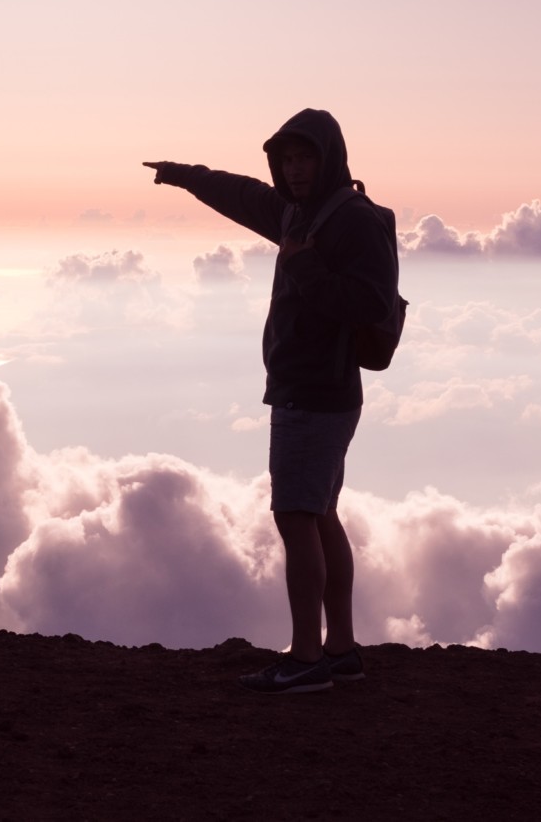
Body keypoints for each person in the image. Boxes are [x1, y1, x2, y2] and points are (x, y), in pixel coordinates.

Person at [143, 108, 399, 694]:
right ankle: (340, 651)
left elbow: (373, 303)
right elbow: (243, 195)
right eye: (286, 159)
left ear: (329, 157)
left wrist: (305, 266)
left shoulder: (353, 221)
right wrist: (184, 174)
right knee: (319, 514)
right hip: (310, 388)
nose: (294, 169)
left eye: (305, 157)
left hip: (317, 392)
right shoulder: (296, 212)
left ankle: (307, 658)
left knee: (295, 517)